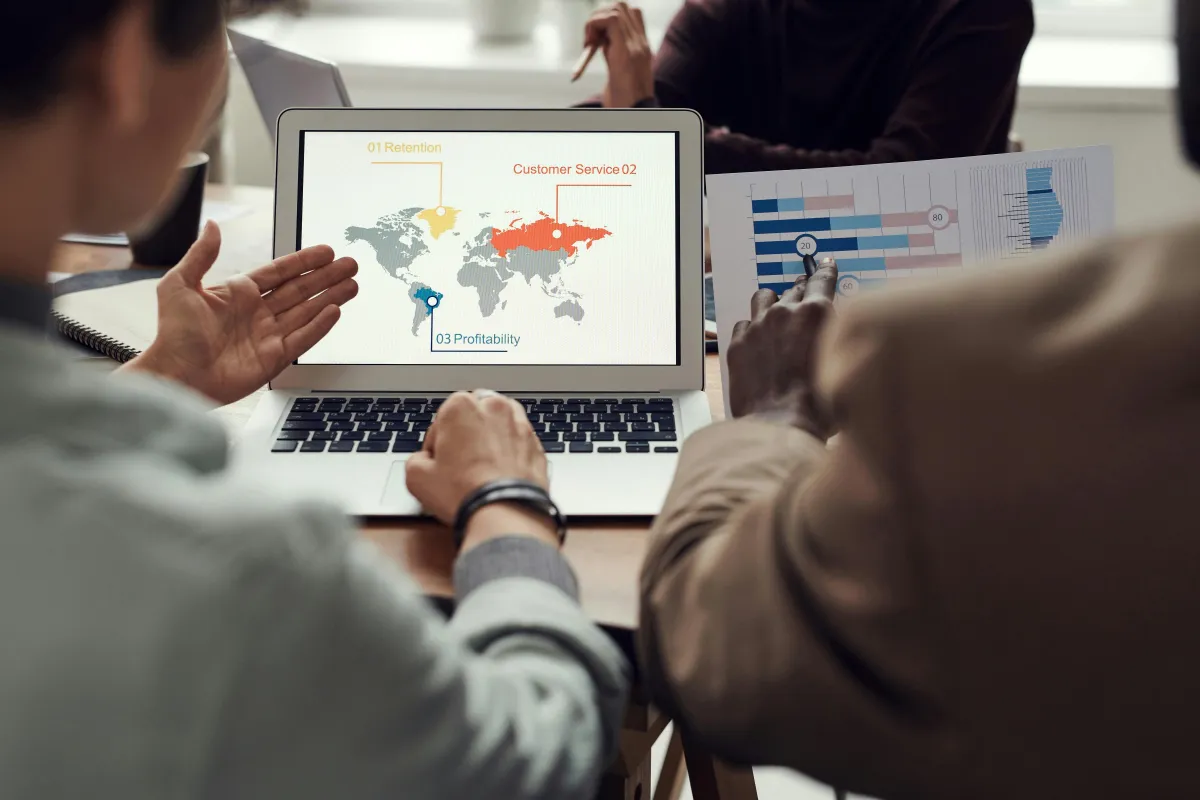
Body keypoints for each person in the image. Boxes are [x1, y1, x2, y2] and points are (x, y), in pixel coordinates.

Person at [0, 1, 627, 797]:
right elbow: (535, 760)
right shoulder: (244, 575)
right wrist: (507, 504)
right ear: (125, 60)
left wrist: (164, 377)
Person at [634, 2, 1200, 796]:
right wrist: (659, 126)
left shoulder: (1023, 374)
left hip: (830, 383)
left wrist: (773, 420)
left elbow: (712, 649)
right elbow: (629, 133)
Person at [581, 0, 1034, 173]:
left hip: (916, 317)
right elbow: (648, 118)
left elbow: (900, 179)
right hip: (758, 302)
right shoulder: (726, 10)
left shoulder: (983, 10)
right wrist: (634, 113)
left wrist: (650, 127)